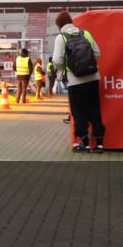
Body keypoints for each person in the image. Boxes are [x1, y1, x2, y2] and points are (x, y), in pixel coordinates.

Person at [52, 11, 104, 153]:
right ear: (71, 21)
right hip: (93, 77)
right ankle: (99, 143)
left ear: (59, 25)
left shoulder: (61, 38)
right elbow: (97, 53)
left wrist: (65, 68)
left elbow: (56, 60)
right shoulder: (85, 33)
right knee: (94, 109)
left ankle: (84, 143)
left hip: (75, 80)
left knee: (79, 111)